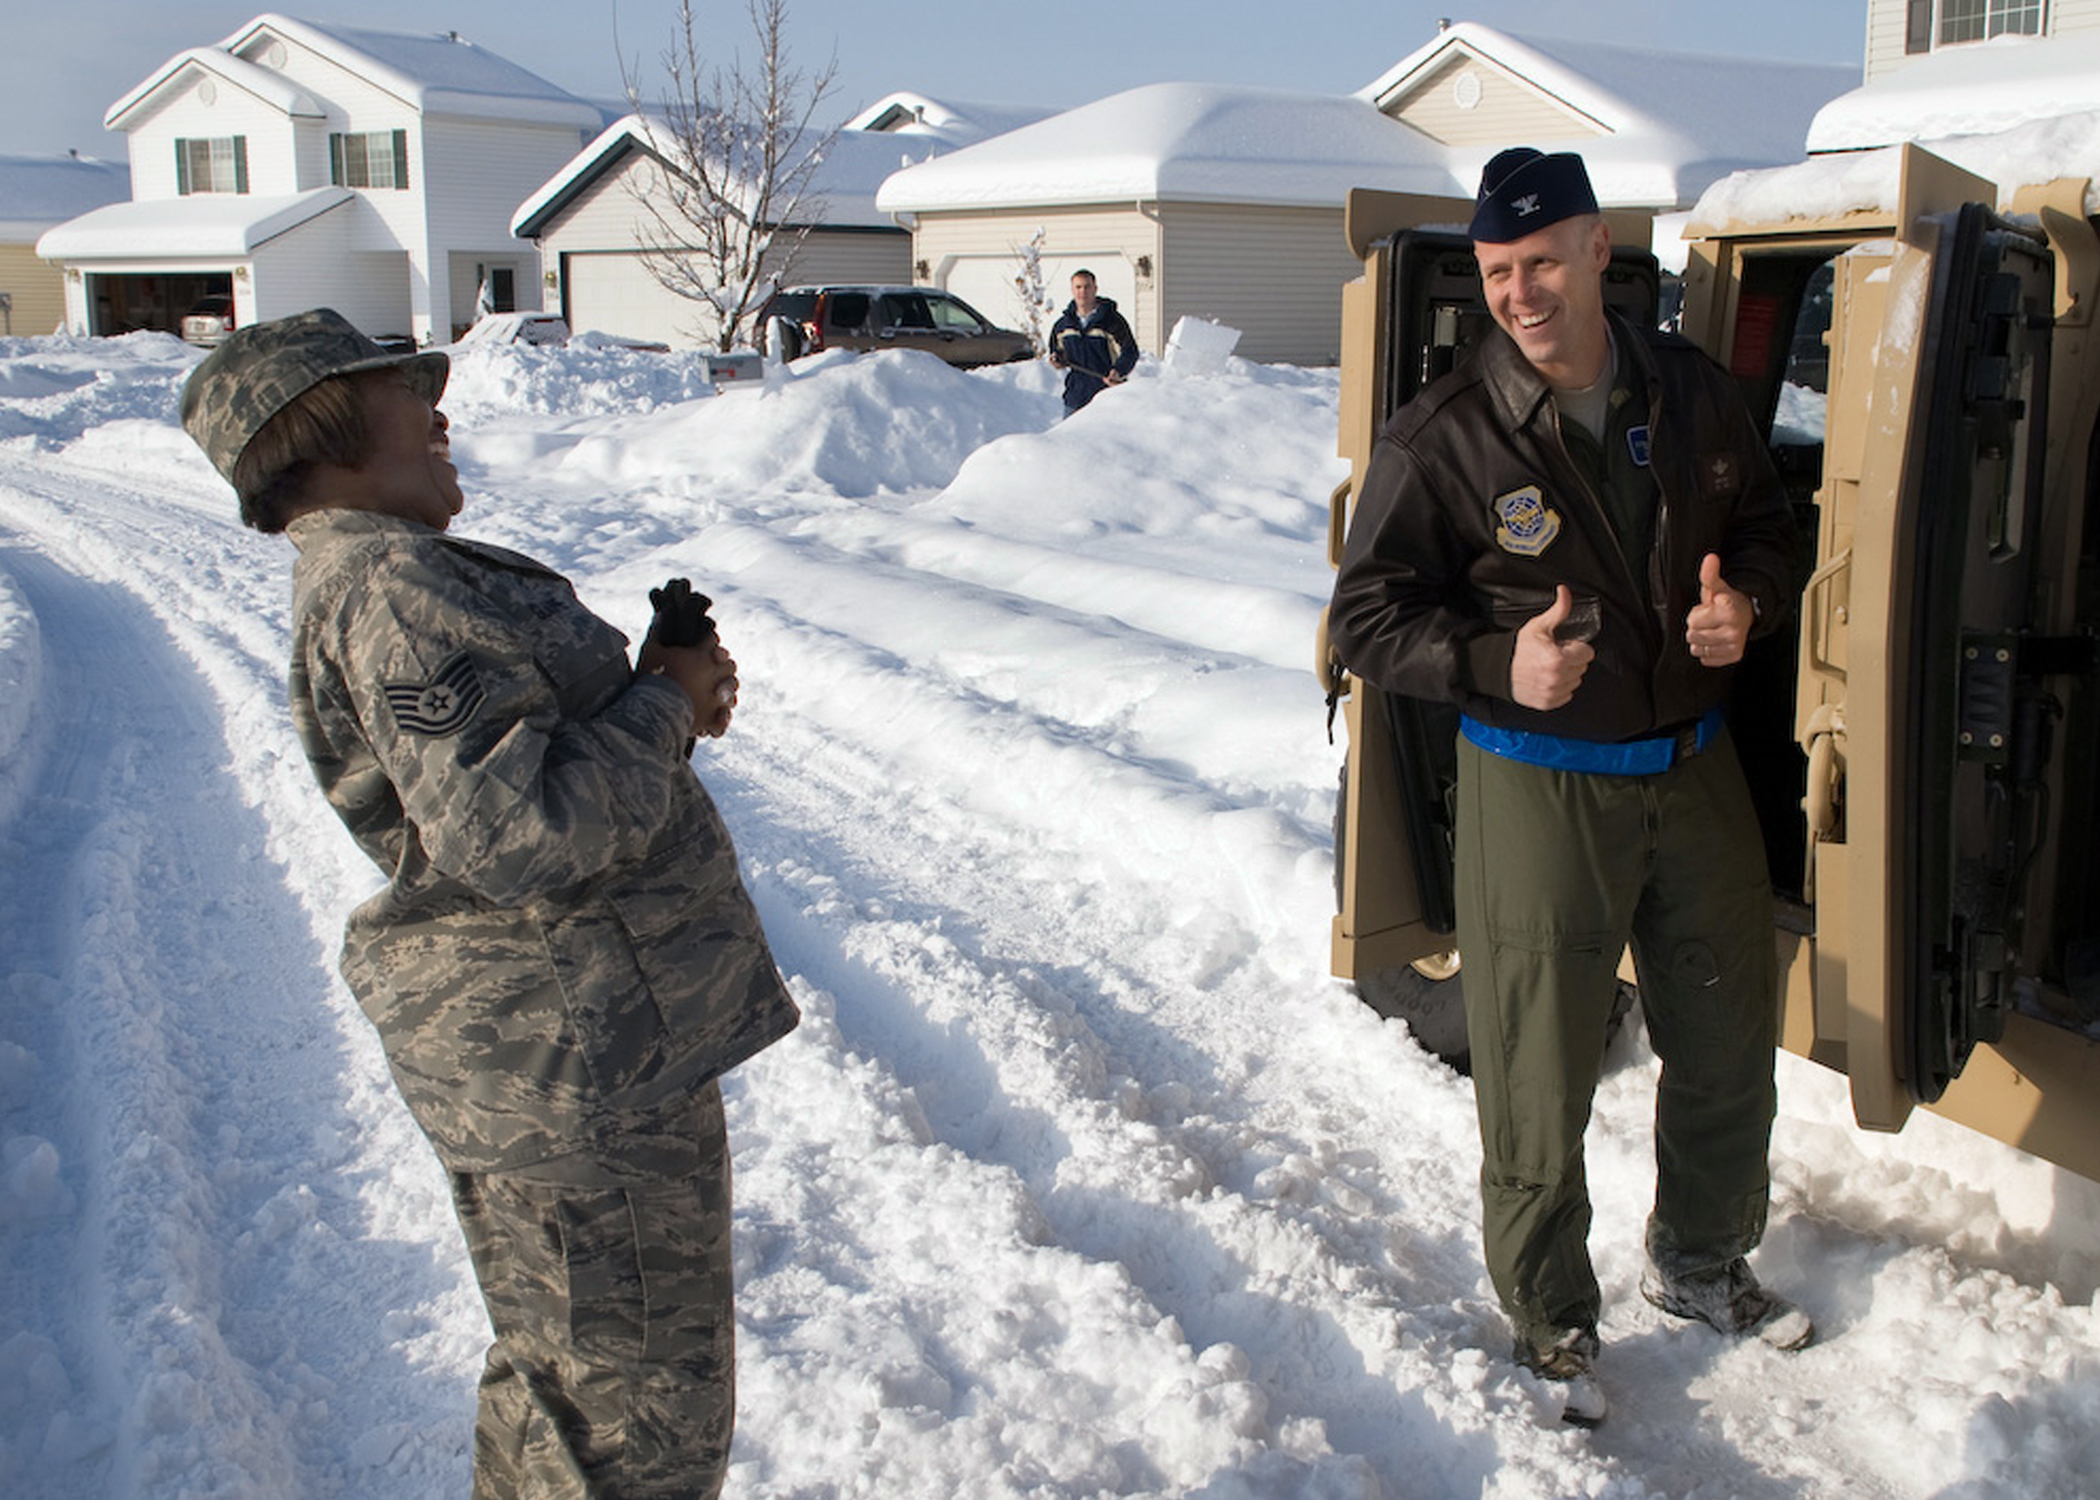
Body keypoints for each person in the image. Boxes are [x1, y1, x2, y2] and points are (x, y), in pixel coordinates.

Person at [179, 308, 800, 1497]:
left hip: (580, 1052)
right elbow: (520, 834)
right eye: (406, 387)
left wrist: (657, 701)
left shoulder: (392, 576)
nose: (438, 409)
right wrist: (660, 704)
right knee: (629, 1426)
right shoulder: (396, 587)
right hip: (577, 1064)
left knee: (576, 1392)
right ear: (326, 426)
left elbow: (512, 791)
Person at [1326, 149, 1807, 1427]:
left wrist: (1747, 603)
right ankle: (1550, 1320)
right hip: (1540, 785)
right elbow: (1364, 620)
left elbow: (1766, 523)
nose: (1520, 294)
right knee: (1537, 1076)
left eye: (1541, 262)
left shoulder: (1690, 394)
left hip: (1689, 769)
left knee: (1724, 1037)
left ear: (1600, 251)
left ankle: (1701, 1260)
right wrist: (1495, 658)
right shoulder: (1445, 436)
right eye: (1494, 273)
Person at [1047, 268, 1138, 415]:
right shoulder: (1063, 325)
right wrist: (1057, 360)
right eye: (1078, 287)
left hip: (1106, 399)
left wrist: (1118, 371)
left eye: (1087, 287)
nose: (1083, 292)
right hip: (1075, 399)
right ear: (1072, 290)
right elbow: (1057, 351)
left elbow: (1129, 351)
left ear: (1095, 289)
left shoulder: (1112, 322)